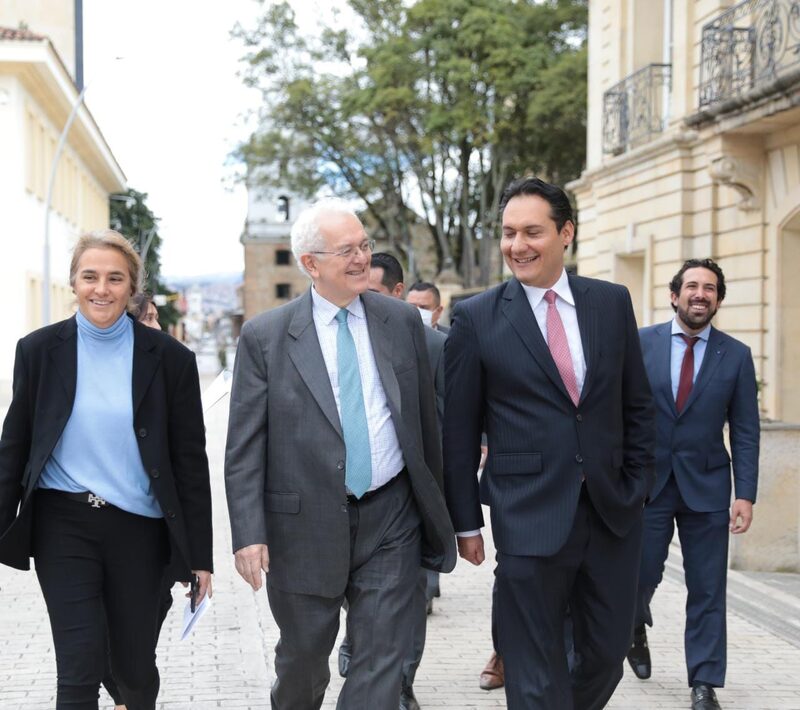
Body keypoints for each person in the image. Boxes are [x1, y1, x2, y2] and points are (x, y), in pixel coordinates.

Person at [224, 200, 456, 709]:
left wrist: (444, 508)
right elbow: (244, 445)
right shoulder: (266, 337)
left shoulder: (401, 321)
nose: (361, 258)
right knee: (303, 663)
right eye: (346, 250)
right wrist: (249, 532)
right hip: (302, 525)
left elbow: (424, 420)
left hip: (391, 517)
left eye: (364, 246)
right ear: (310, 263)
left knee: (381, 660)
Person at [443, 177, 655, 709]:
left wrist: (639, 485)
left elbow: (637, 404)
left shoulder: (611, 302)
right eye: (509, 233)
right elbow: (459, 431)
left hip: (611, 512)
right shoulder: (476, 316)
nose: (517, 245)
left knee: (606, 654)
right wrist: (466, 523)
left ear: (566, 233)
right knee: (533, 666)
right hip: (527, 515)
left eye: (532, 232)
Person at [0, 230, 213, 710]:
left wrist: (200, 557)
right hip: (63, 525)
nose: (101, 289)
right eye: (90, 276)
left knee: (133, 671)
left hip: (139, 530)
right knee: (78, 666)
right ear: (73, 282)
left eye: (115, 278)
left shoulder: (171, 360)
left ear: (131, 286)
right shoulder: (38, 351)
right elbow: (13, 447)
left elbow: (189, 463)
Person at [628, 259, 759, 710]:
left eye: (710, 288)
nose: (700, 294)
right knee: (640, 572)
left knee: (707, 588)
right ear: (674, 295)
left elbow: (745, 430)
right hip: (649, 483)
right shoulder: (640, 343)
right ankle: (633, 625)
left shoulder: (736, 355)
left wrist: (745, 493)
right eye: (692, 286)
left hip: (707, 486)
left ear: (718, 300)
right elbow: (619, 412)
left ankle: (704, 681)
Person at [101, 291, 166, 710]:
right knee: (101, 644)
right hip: (99, 526)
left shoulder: (167, 372)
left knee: (138, 651)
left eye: (157, 317)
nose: (157, 326)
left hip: (152, 531)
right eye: (149, 318)